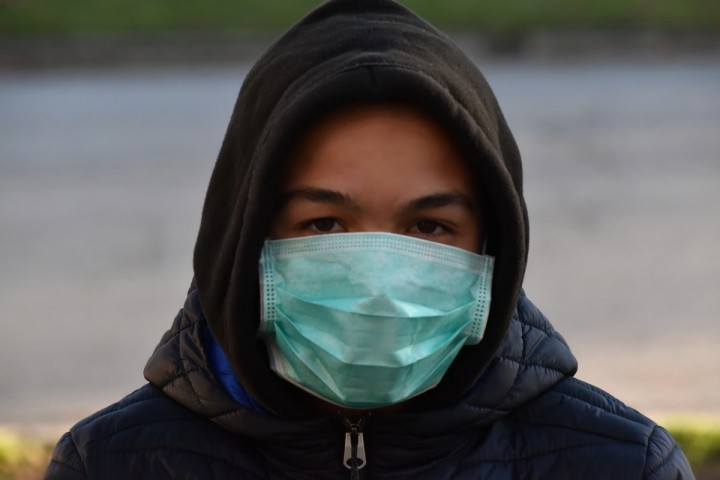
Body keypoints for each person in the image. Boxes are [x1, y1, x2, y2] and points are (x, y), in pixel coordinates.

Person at [45, 0, 694, 478]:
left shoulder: (622, 464)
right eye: (324, 223)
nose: (377, 285)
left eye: (429, 227)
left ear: (492, 250)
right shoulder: (109, 464)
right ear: (244, 241)